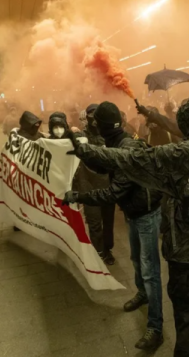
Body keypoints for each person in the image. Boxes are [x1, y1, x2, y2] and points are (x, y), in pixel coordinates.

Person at [70, 90, 189, 357]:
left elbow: (130, 159)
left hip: (186, 256)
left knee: (188, 320)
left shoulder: (180, 152)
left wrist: (86, 150)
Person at [63, 102, 165, 351]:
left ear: (104, 126)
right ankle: (142, 294)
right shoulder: (117, 142)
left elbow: (113, 192)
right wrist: (82, 152)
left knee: (151, 271)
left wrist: (79, 197)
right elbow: (105, 164)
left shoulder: (127, 148)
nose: (93, 127)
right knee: (136, 260)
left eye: (96, 123)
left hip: (146, 215)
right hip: (135, 212)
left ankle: (156, 327)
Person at [73, 104, 116, 265]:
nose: (94, 119)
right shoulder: (81, 136)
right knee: (94, 222)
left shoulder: (109, 136)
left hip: (108, 186)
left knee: (108, 221)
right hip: (88, 186)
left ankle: (107, 248)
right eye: (90, 114)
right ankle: (98, 252)